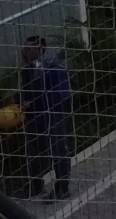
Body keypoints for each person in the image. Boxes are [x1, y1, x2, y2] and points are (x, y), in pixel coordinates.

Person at [18, 37, 76, 199]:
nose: (24, 52)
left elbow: (62, 94)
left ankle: (62, 187)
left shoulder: (53, 67)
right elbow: (26, 91)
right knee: (35, 151)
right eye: (23, 48)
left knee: (58, 149)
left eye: (28, 49)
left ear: (40, 49)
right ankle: (35, 185)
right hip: (33, 116)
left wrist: (37, 101)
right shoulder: (27, 70)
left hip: (52, 114)